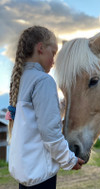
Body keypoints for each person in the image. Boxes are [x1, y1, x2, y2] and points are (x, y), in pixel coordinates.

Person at [5, 26, 84, 189]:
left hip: (25, 173)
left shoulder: (21, 80)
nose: (54, 61)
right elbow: (50, 133)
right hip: (40, 176)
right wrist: (70, 160)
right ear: (40, 48)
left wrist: (64, 103)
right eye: (53, 53)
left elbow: (39, 118)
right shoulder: (43, 81)